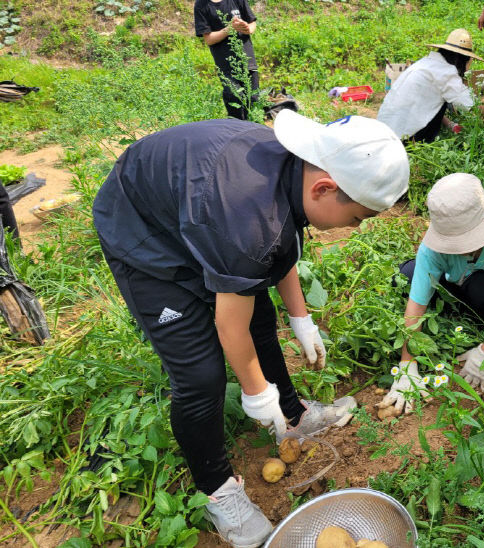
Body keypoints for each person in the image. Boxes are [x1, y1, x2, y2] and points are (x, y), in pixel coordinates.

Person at [92, 110, 409, 548]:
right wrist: (257, 392)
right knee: (200, 375)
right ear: (325, 188)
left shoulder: (294, 170)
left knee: (260, 312)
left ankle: (294, 415)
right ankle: (217, 488)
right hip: (145, 232)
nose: (353, 228)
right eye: (357, 218)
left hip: (199, 210)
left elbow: (278, 246)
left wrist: (300, 316)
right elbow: (231, 319)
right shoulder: (247, 217)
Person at [377, 173, 484, 415]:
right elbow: (416, 303)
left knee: (481, 287)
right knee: (408, 274)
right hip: (459, 285)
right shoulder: (433, 248)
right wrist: (407, 363)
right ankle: (464, 313)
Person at [377, 29, 484, 143]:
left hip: (385, 129)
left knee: (442, 98)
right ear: (462, 60)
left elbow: (429, 105)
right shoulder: (446, 72)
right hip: (403, 136)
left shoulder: (426, 63)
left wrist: (451, 125)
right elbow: (470, 104)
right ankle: (419, 142)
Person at [194, 0, 260, 120]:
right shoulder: (201, 5)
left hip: (247, 60)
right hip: (226, 65)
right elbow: (208, 39)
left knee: (254, 100)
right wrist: (229, 29)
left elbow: (252, 22)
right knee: (235, 100)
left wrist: (247, 28)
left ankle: (256, 132)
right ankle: (237, 134)